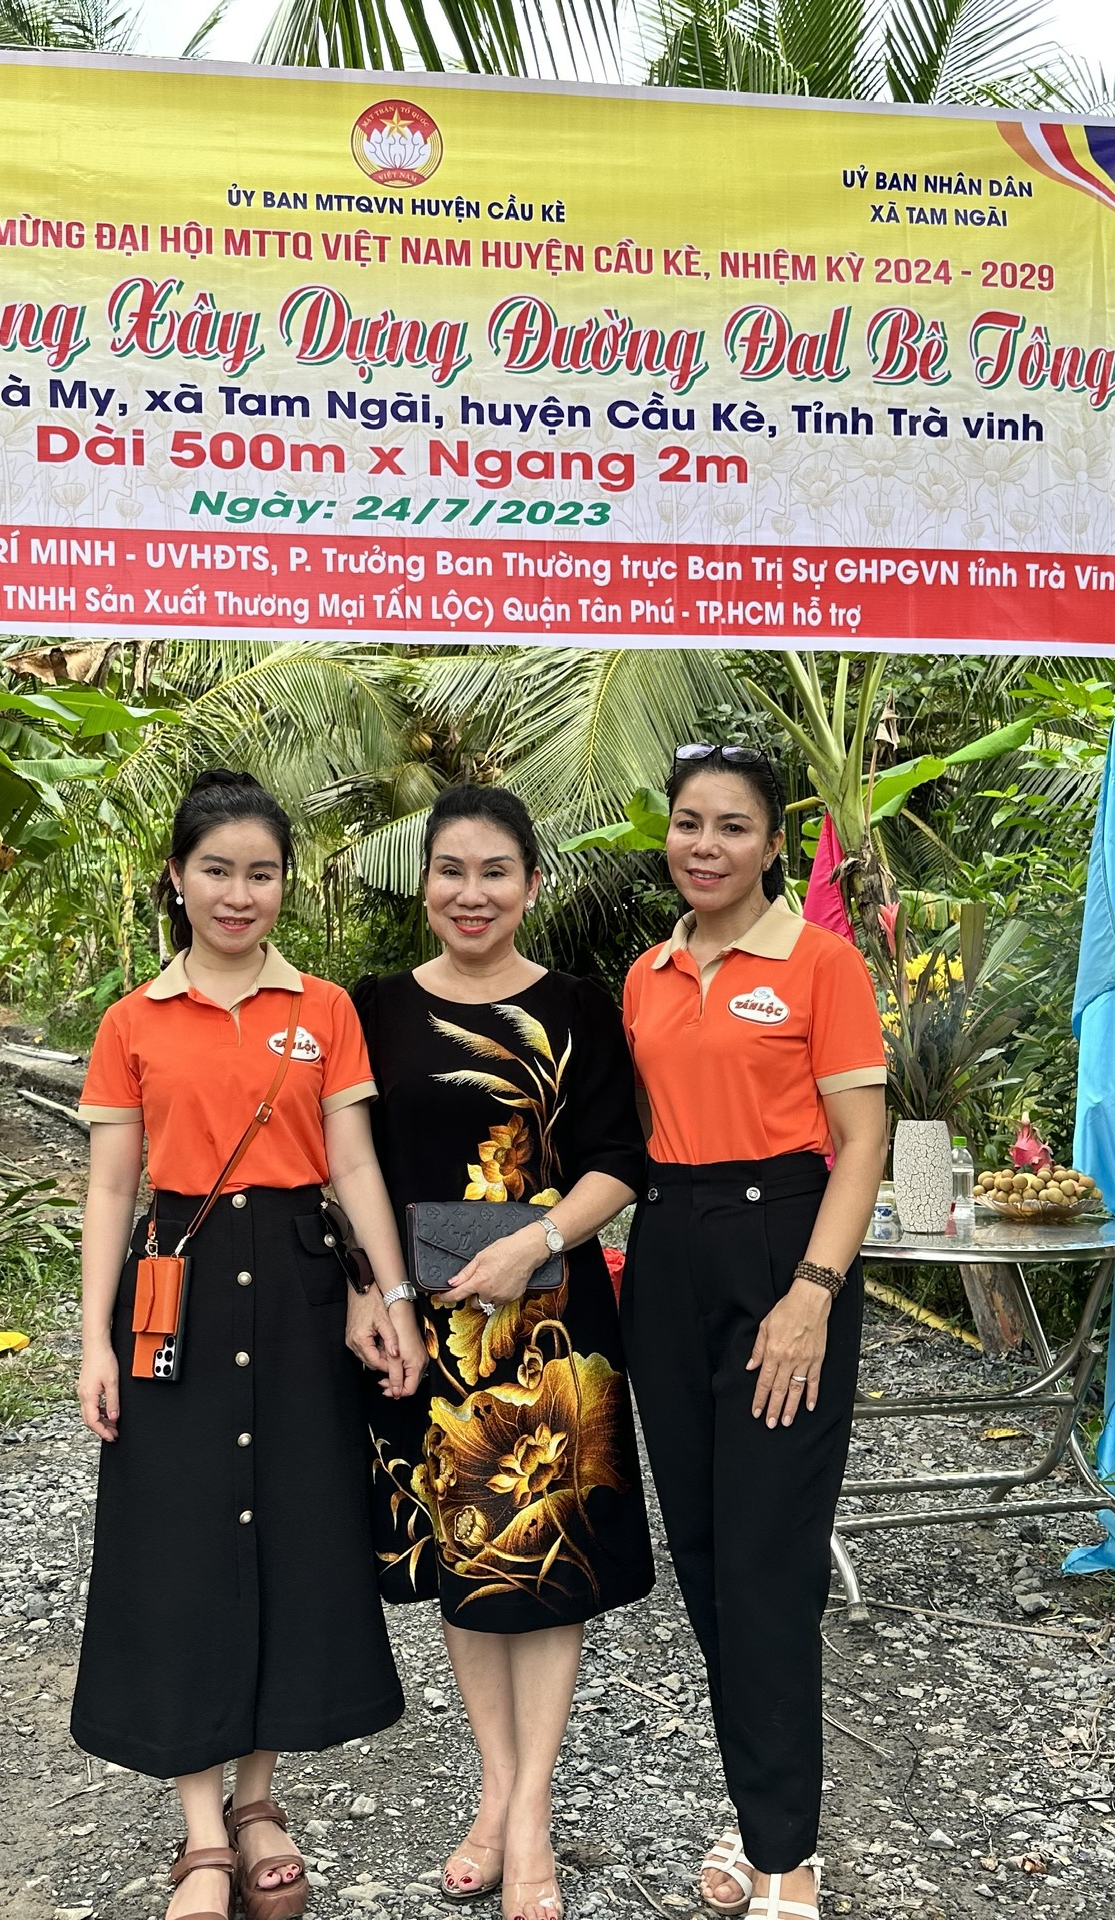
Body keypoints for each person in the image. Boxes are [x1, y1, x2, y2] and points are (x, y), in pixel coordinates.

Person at [73, 769, 426, 1920]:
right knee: (175, 1543)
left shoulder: (323, 1009)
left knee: (290, 1528)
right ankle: (199, 1832)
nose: (238, 894)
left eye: (261, 874)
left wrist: (390, 1295)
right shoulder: (132, 1020)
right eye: (216, 871)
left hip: (300, 1288)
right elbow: (111, 1188)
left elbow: (353, 1164)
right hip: (173, 1287)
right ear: (175, 880)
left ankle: (259, 1797)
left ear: (284, 885)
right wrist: (92, 1344)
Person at [355, 785, 654, 1920]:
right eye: (451, 871)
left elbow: (620, 1159)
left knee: (548, 1559)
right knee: (465, 1559)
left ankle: (527, 1816)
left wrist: (536, 1238)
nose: (470, 894)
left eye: (495, 872)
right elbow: (345, 1167)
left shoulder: (576, 1005)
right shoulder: (371, 1009)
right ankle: (495, 1791)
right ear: (423, 882)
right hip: (422, 1322)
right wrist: (370, 1292)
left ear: (531, 885)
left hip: (549, 1325)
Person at [618, 746, 888, 1920]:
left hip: (783, 1246)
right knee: (705, 1557)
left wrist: (812, 1291)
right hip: (668, 1251)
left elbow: (862, 1141)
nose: (706, 845)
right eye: (688, 823)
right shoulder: (645, 975)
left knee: (769, 1559)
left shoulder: (821, 963)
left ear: (774, 845)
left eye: (733, 826)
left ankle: (786, 1852)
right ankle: (758, 1802)